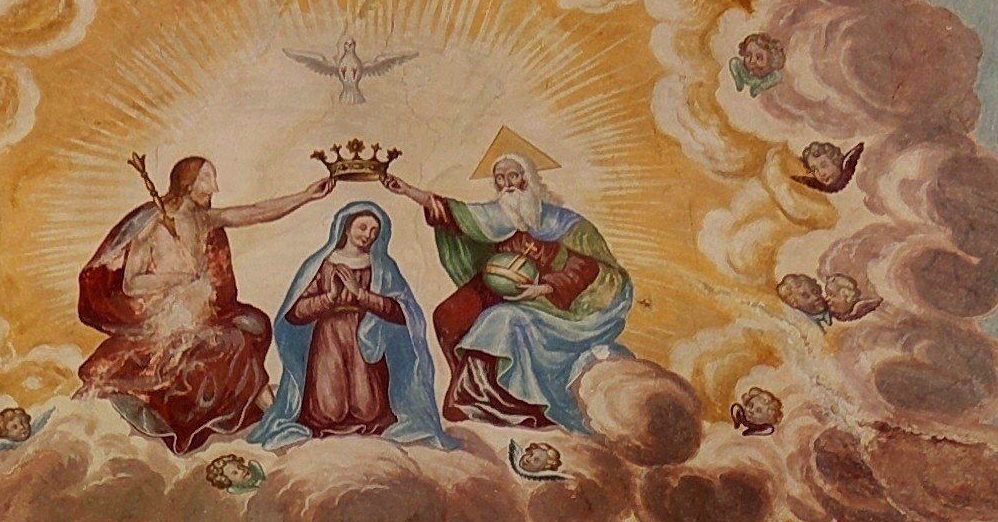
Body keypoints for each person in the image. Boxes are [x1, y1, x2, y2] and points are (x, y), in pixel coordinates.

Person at [75, 154, 330, 452]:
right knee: (233, 340)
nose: (215, 188)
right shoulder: (153, 224)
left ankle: (270, 412)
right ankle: (271, 413)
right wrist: (174, 279)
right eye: (207, 179)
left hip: (205, 313)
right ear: (188, 183)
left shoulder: (204, 219)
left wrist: (306, 196)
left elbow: (256, 212)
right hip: (167, 318)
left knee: (254, 324)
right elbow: (131, 283)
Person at [388, 140, 637, 430]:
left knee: (500, 321)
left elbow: (590, 267)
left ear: (528, 178)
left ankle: (510, 403)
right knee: (448, 314)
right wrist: (408, 191)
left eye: (513, 176)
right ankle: (473, 396)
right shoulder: (498, 216)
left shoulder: (566, 223)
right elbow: (455, 214)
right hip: (501, 290)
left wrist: (544, 287)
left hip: (552, 302)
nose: (507, 184)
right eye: (500, 179)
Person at [253, 203, 448, 445]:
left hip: (366, 338)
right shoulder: (322, 263)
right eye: (363, 227)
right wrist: (329, 298)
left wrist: (362, 295)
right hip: (329, 338)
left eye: (375, 231)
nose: (368, 235)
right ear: (346, 228)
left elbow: (404, 312)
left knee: (368, 409)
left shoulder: (383, 267)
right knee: (327, 411)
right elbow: (294, 314)